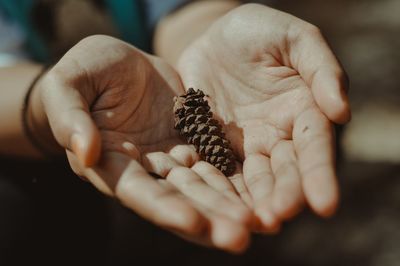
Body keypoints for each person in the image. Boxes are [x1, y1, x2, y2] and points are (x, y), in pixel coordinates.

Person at [0, 0, 351, 257]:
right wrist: (42, 106)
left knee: (308, 128)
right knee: (16, 216)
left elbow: (182, 10)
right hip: (30, 129)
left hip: (152, 117)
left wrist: (208, 35)